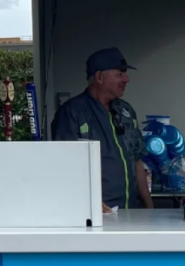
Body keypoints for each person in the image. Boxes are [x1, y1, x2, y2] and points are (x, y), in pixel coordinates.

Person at [50, 48, 153, 213]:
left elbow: (137, 161)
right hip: (96, 214)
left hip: (133, 213)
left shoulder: (126, 111)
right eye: (120, 74)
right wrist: (88, 202)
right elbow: (63, 167)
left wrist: (150, 208)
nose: (126, 79)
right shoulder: (72, 112)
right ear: (99, 77)